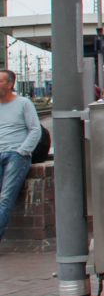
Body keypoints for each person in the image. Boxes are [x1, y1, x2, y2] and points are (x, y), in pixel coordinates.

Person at [0, 69, 42, 243]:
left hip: (16, 154)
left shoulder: (24, 103)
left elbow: (35, 129)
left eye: (0, 81)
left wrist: (22, 151)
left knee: (5, 197)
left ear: (10, 84)